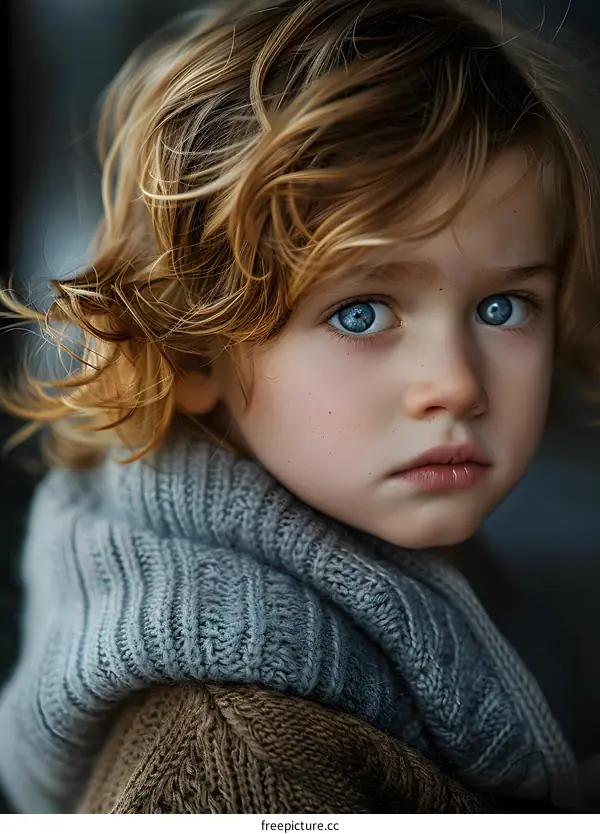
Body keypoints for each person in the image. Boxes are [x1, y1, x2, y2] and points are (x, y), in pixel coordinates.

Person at [0, 0, 599, 814]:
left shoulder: (425, 565)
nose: (456, 383)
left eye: (503, 307)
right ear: (191, 353)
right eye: (360, 313)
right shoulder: (232, 770)